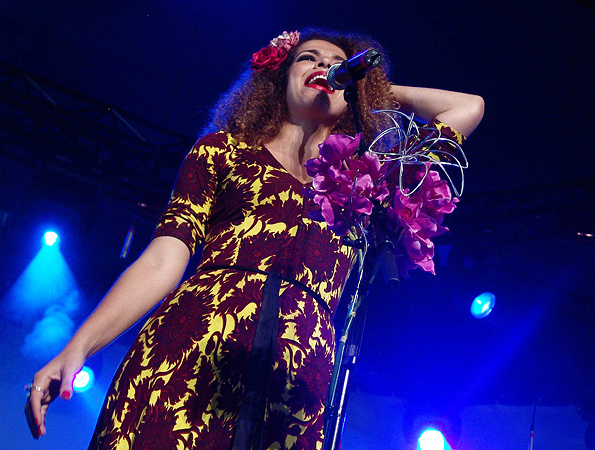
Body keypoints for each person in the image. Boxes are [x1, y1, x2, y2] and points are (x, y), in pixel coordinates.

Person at [25, 28, 484, 449]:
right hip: (189, 356)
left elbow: (467, 108)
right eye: (309, 59)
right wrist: (78, 347)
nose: (324, 67)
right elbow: (162, 260)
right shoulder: (223, 151)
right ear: (280, 79)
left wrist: (366, 84)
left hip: (294, 383)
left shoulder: (367, 178)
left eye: (335, 62)